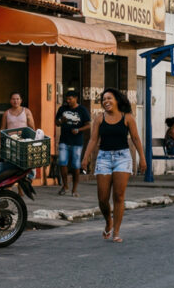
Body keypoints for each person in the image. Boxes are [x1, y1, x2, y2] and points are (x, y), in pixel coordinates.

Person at [83, 88, 146, 243]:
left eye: (109, 98)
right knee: (103, 198)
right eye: (104, 99)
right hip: (103, 157)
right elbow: (93, 140)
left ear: (117, 100)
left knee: (118, 195)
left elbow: (136, 139)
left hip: (122, 158)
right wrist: (85, 157)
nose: (106, 101)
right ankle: (108, 221)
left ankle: (116, 231)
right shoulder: (99, 118)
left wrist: (142, 158)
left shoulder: (128, 117)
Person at [55, 90, 90, 197]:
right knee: (62, 163)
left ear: (76, 98)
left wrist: (79, 130)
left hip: (77, 142)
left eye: (70, 99)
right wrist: (61, 120)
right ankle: (65, 186)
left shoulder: (82, 110)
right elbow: (57, 123)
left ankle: (74, 189)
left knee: (75, 165)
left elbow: (88, 125)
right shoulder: (62, 108)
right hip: (64, 141)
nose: (68, 101)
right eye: (67, 99)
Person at [0, 91, 35, 161]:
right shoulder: (6, 113)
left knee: (25, 161)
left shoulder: (27, 111)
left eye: (17, 99)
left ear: (21, 100)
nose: (15, 101)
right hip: (11, 142)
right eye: (13, 99)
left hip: (24, 141)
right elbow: (2, 128)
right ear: (10, 101)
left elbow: (32, 128)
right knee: (12, 161)